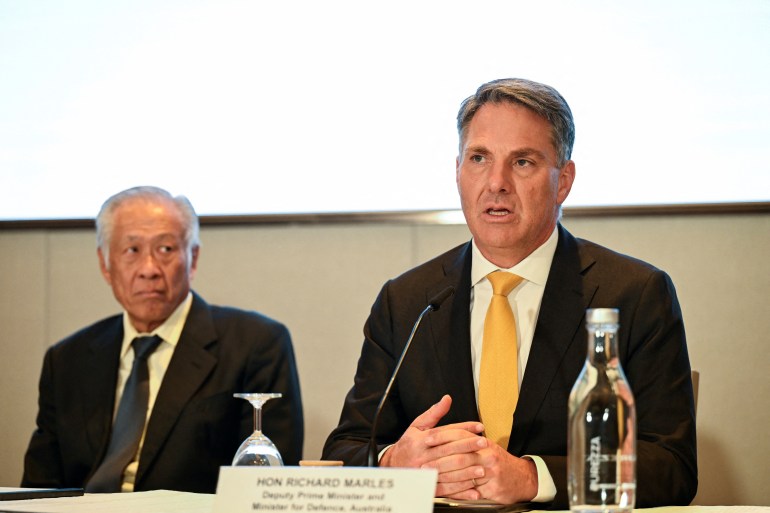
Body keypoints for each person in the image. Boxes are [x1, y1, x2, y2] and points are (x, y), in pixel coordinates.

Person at [322, 78, 697, 508]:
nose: (496, 182)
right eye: (479, 158)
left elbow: (671, 465)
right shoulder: (407, 301)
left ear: (563, 182)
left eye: (522, 162)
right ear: (458, 171)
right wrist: (392, 464)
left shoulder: (633, 294)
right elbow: (345, 449)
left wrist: (534, 478)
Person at [22, 186, 303, 493]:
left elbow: (267, 490)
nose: (149, 270)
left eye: (166, 249)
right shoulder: (67, 360)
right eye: (132, 250)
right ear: (105, 264)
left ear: (192, 258)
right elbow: (39, 487)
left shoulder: (255, 344)